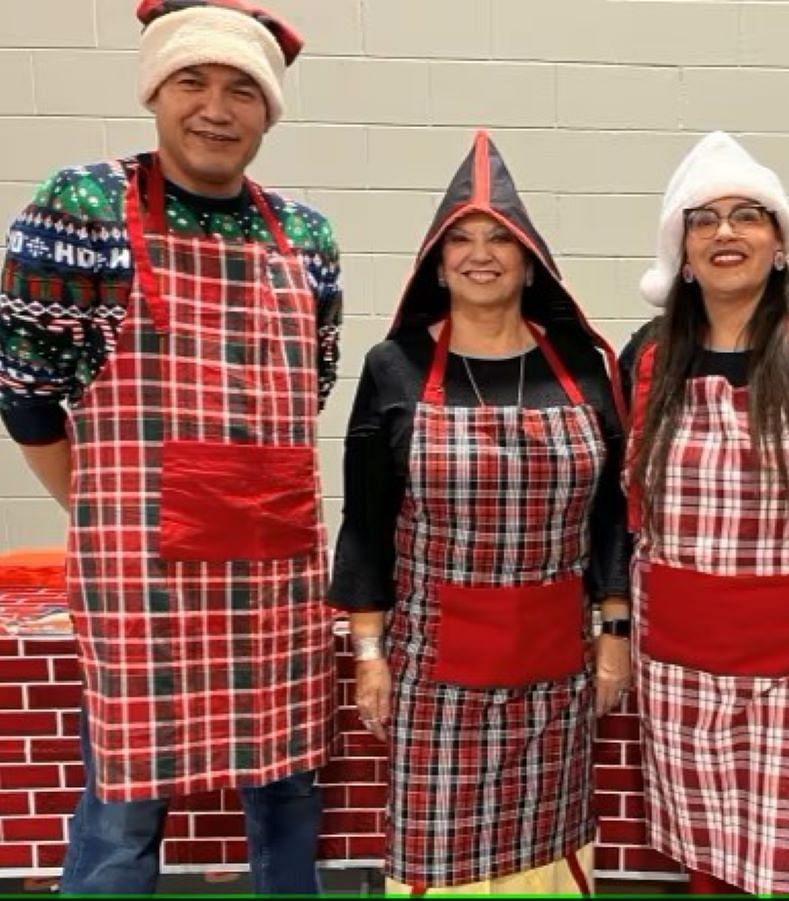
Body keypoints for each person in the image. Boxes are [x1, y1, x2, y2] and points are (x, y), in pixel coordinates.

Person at [0, 0, 343, 892]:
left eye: (243, 90)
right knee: (123, 806)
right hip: (141, 570)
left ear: (269, 110)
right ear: (156, 89)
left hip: (275, 573)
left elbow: (314, 385)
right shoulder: (83, 206)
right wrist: (114, 508)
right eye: (193, 81)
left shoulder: (304, 236)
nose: (217, 109)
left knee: (287, 791)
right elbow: (30, 397)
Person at [328, 130, 631, 896]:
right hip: (433, 672)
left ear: (530, 260)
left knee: (548, 838)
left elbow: (610, 516)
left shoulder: (583, 368)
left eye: (500, 238)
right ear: (437, 260)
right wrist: (369, 656)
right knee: (437, 850)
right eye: (461, 239)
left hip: (554, 672)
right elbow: (365, 521)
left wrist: (616, 631)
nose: (481, 253)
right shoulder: (393, 367)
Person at [621, 131, 789, 895]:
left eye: (748, 216)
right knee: (704, 859)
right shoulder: (647, 355)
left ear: (779, 241)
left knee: (785, 868)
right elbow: (628, 513)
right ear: (682, 247)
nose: (726, 233)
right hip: (676, 661)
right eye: (704, 220)